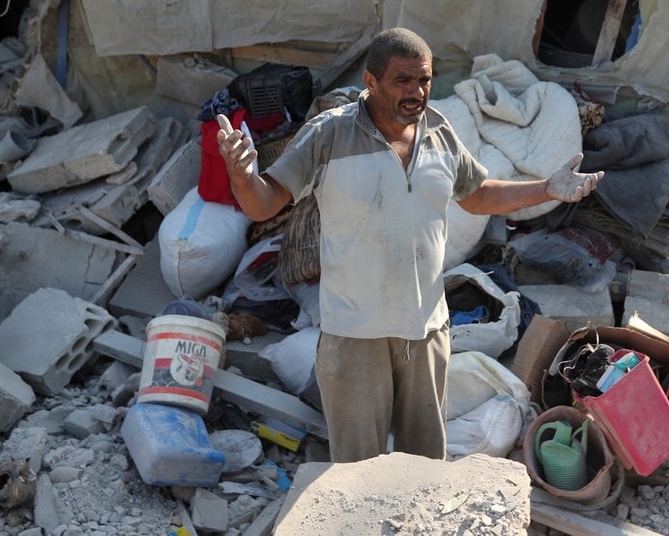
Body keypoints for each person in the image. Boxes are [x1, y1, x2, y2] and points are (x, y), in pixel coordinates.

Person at [216, 27, 602, 463]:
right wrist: (243, 175)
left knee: (423, 464)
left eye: (425, 79)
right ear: (371, 81)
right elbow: (264, 203)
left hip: (425, 331)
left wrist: (548, 188)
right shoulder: (329, 136)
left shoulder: (439, 131)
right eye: (403, 80)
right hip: (355, 334)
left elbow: (478, 196)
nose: (417, 91)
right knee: (358, 466)